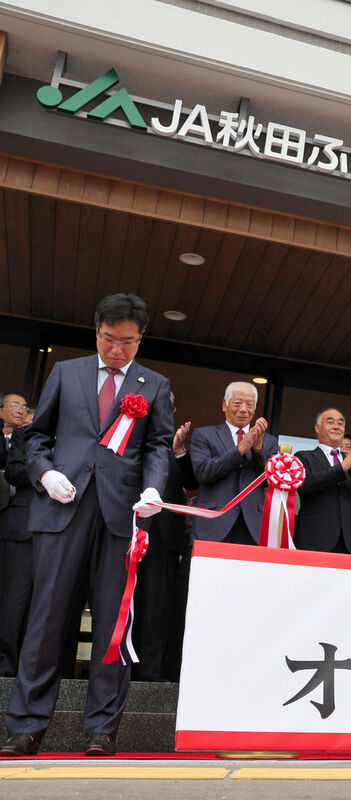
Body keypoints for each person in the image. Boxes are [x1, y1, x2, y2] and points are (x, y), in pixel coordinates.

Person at [1, 293, 172, 758]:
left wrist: (154, 488)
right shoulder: (67, 372)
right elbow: (35, 436)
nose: (117, 350)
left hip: (121, 516)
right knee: (46, 620)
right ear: (96, 331)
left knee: (113, 628)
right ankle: (26, 727)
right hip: (62, 509)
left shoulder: (153, 383)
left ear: (141, 339)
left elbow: (157, 445)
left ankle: (101, 730)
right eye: (109, 339)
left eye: (127, 342)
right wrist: (44, 473)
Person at [131, 399, 198, 682]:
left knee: (157, 609)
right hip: (127, 529)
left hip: (163, 536)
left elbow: (193, 483)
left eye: (171, 407)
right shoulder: (127, 435)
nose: (166, 410)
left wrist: (180, 451)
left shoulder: (174, 444)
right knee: (121, 603)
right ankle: (115, 671)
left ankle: (150, 675)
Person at [190, 382, 277, 546]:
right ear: (225, 405)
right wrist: (239, 450)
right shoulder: (204, 434)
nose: (243, 409)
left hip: (252, 526)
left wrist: (258, 451)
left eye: (249, 404)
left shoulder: (269, 441)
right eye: (237, 403)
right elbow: (203, 473)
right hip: (214, 523)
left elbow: (271, 481)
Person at [294, 408, 351, 554]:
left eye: (341, 423)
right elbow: (306, 484)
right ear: (317, 428)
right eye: (330, 422)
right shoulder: (303, 457)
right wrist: (341, 468)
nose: (336, 426)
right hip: (315, 540)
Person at [0, 396, 33, 677]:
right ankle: (7, 663)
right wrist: (45, 472)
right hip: (23, 527)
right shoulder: (24, 436)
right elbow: (13, 471)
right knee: (15, 598)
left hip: (61, 530)